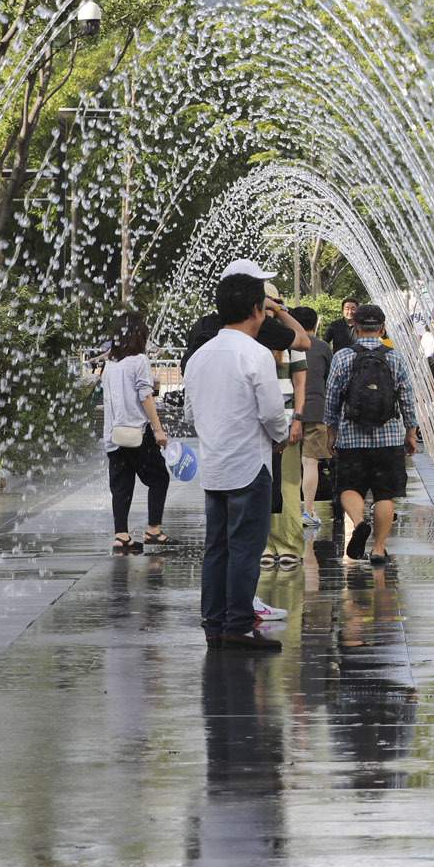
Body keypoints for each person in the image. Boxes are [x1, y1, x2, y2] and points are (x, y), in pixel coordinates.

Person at [183, 263, 291, 653]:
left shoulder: (199, 357)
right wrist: (280, 437)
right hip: (249, 465)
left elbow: (190, 414)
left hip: (214, 467)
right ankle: (240, 625)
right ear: (256, 311)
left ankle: (214, 624)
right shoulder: (256, 355)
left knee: (217, 547)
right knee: (246, 547)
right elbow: (272, 414)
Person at [323, 304, 418, 566]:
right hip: (388, 439)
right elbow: (407, 399)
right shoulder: (395, 358)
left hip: (351, 438)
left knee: (348, 488)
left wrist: (331, 433)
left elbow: (331, 399)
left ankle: (359, 522)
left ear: (355, 326)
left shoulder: (343, 357)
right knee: (384, 495)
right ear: (382, 328)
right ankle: (378, 549)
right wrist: (410, 433)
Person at [99, 311, 175, 555]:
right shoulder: (139, 360)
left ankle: (121, 536)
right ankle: (153, 529)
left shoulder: (110, 363)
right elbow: (145, 396)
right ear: (137, 333)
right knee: (159, 478)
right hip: (137, 432)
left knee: (121, 484)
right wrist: (158, 429)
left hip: (113, 434)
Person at [261, 283, 310, 573]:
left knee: (289, 487)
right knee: (262, 486)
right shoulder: (250, 337)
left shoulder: (289, 339)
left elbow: (300, 383)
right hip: (257, 427)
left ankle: (290, 543)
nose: (268, 309)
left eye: (273, 304)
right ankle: (266, 544)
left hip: (287, 422)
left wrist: (298, 419)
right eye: (263, 304)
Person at [294, 306, 331, 529]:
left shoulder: (286, 346)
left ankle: (290, 512)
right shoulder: (323, 347)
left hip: (291, 413)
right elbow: (328, 377)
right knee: (310, 463)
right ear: (314, 325)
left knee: (291, 466)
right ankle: (308, 511)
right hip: (316, 410)